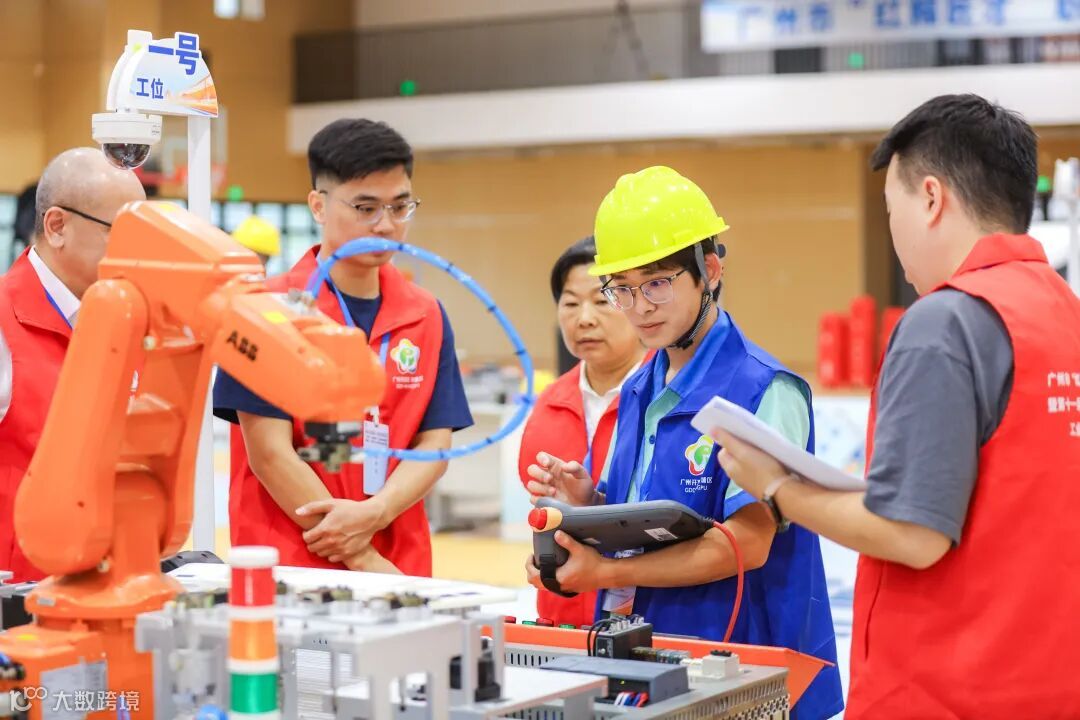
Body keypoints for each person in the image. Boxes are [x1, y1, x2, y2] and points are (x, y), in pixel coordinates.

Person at [711, 94, 1080, 719]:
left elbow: (913, 534)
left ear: (931, 198)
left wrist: (775, 486)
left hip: (945, 693)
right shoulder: (1064, 314)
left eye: (891, 209)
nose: (894, 232)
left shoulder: (946, 322)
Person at [524, 167, 842, 719]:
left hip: (749, 670)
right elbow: (641, 519)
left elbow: (747, 544)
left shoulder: (765, 389)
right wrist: (588, 503)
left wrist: (605, 573)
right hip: (658, 656)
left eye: (656, 283)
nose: (639, 306)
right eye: (622, 288)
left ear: (709, 271)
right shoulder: (641, 386)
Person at [214, 119, 473, 575]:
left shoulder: (426, 314)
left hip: (400, 561)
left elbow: (435, 441)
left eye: (400, 207)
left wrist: (378, 511)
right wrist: (361, 556)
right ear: (318, 205)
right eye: (365, 207)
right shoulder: (264, 309)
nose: (386, 225)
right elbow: (270, 452)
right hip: (292, 562)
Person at [0, 147, 145, 581]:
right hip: (18, 594)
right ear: (57, 226)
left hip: (108, 582)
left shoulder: (130, 320)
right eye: (123, 232)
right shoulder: (4, 321)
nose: (139, 252)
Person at [518, 236, 647, 628]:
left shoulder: (666, 396)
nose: (584, 319)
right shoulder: (548, 405)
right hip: (561, 620)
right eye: (570, 303)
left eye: (602, 300)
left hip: (647, 623)